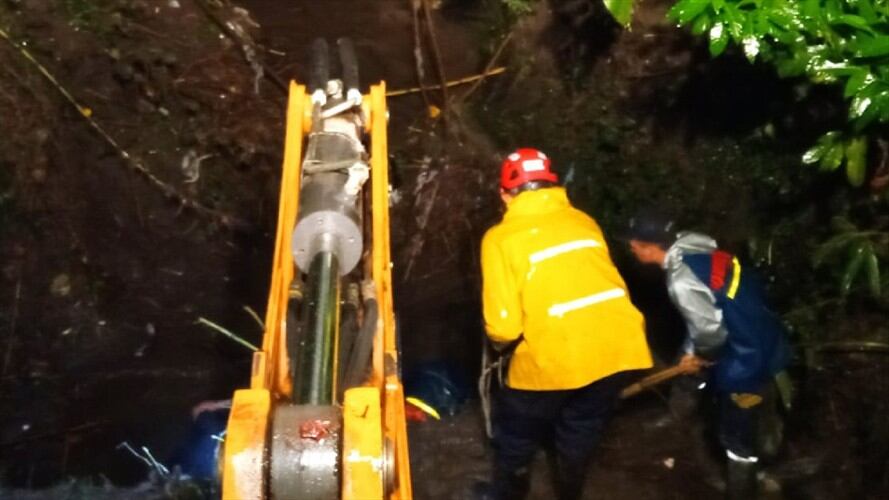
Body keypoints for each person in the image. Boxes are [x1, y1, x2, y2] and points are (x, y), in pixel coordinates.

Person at [477, 148, 652, 500]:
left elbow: (504, 328)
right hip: (618, 350)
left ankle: (506, 494)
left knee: (517, 434)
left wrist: (499, 348)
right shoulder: (584, 221)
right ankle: (570, 494)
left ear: (504, 194)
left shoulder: (499, 238)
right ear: (553, 185)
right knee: (581, 428)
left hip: (554, 358)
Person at [624, 212, 790, 499]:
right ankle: (678, 414)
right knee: (687, 357)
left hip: (745, 357)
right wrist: (692, 353)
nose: (631, 249)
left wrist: (701, 356)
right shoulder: (696, 247)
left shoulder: (681, 280)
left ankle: (744, 486)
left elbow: (710, 335)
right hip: (762, 330)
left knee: (736, 432)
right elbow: (706, 317)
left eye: (634, 245)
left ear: (651, 247)